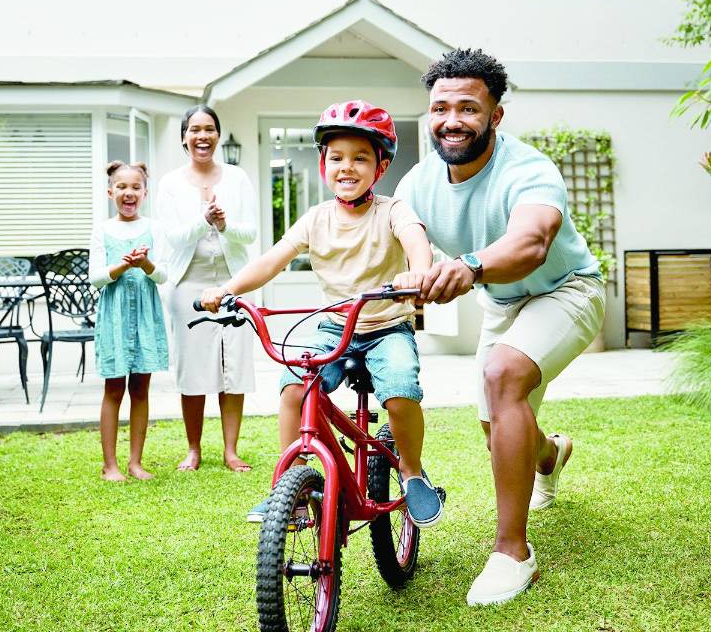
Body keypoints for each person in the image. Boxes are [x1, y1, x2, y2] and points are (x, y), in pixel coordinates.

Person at [394, 49, 606, 605]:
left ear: (496, 116)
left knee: (502, 374)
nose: (452, 120)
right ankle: (548, 454)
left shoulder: (528, 168)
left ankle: (513, 554)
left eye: (468, 107)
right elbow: (408, 229)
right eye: (441, 108)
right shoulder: (420, 180)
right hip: (505, 302)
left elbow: (531, 244)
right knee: (497, 433)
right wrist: (419, 274)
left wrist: (469, 267)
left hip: (567, 290)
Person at [200, 100, 444, 527]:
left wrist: (419, 274)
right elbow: (272, 260)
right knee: (295, 383)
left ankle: (410, 470)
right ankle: (290, 485)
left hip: (387, 326)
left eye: (360, 158)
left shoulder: (393, 210)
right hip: (336, 325)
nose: (347, 167)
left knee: (401, 386)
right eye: (337, 158)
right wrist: (227, 289)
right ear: (323, 165)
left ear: (380, 167)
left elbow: (414, 240)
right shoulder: (316, 219)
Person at [156, 105, 258, 472]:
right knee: (193, 367)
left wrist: (226, 224)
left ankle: (231, 451)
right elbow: (171, 237)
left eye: (209, 129)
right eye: (195, 129)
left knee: (233, 365)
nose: (203, 136)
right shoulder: (170, 184)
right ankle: (194, 448)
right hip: (189, 284)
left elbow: (250, 233)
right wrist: (203, 220)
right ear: (184, 137)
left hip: (233, 281)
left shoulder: (238, 178)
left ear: (217, 134)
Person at [89, 161, 169, 482]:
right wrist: (120, 267)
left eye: (135, 187)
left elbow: (163, 275)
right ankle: (110, 465)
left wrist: (145, 263)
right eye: (121, 187)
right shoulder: (103, 229)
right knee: (113, 389)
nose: (128, 192)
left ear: (144, 192)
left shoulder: (155, 228)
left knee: (140, 389)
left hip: (146, 317)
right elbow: (95, 278)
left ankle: (135, 462)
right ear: (111, 192)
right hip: (114, 317)